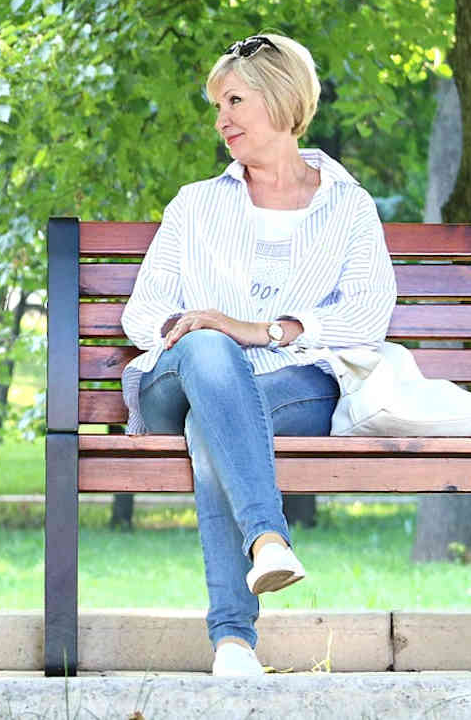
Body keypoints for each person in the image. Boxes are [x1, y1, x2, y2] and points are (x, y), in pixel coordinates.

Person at [119, 34, 396, 677]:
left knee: (214, 420)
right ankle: (267, 538)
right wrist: (202, 333)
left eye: (235, 100)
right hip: (178, 381)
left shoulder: (348, 207)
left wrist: (262, 330)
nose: (222, 120)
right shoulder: (196, 204)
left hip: (294, 385)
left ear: (281, 100)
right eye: (218, 105)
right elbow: (143, 310)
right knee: (211, 361)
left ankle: (233, 644)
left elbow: (367, 316)